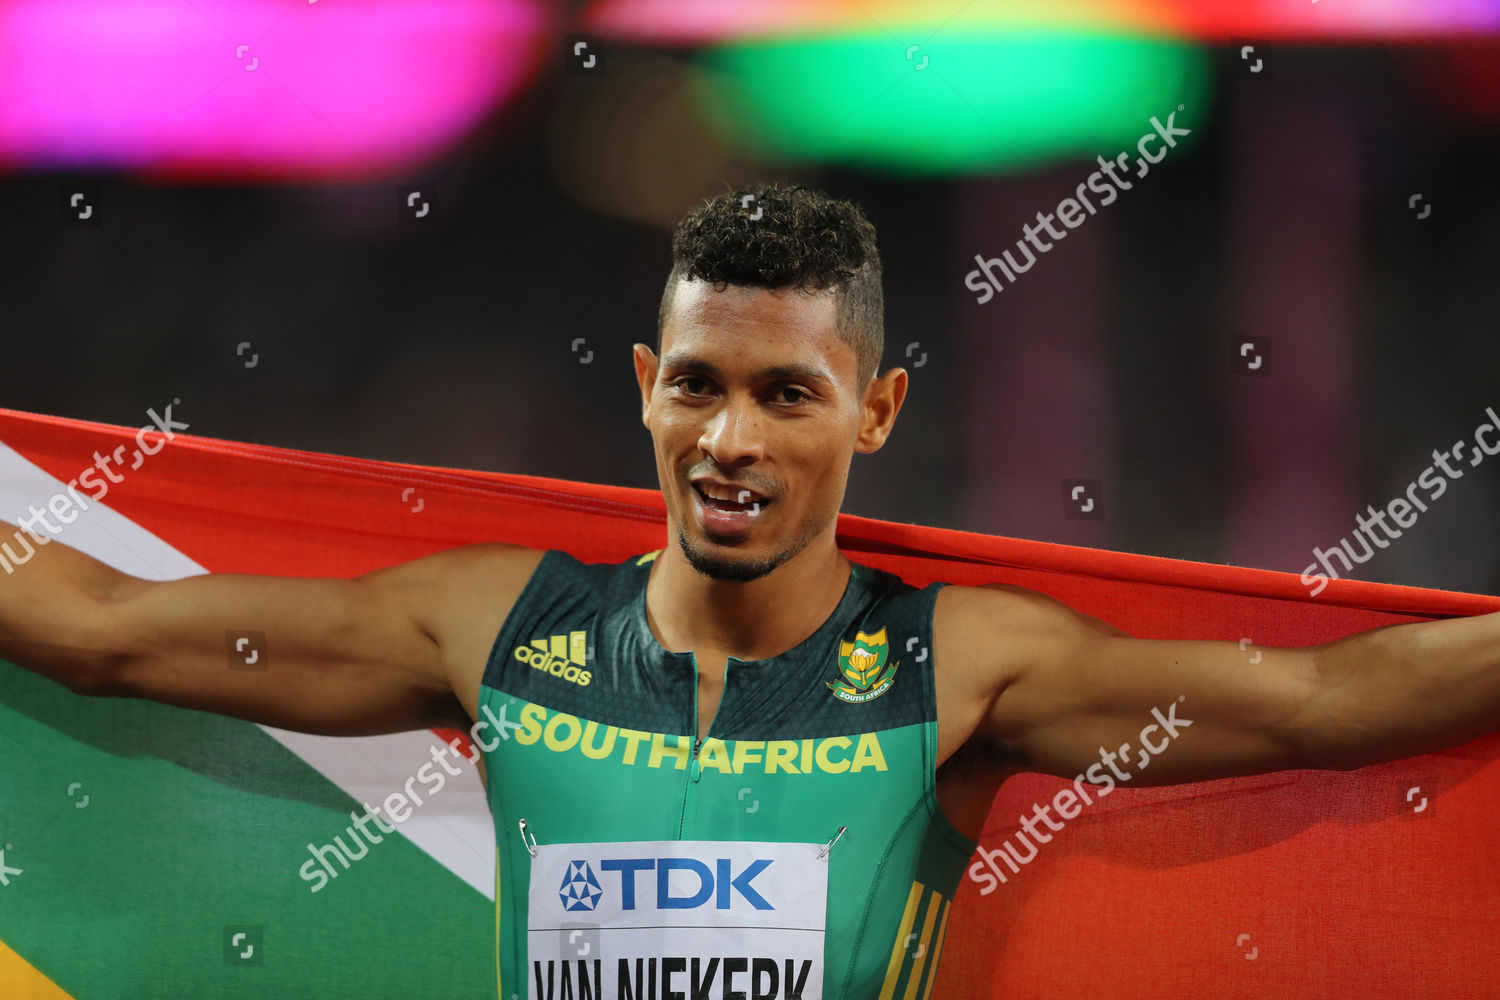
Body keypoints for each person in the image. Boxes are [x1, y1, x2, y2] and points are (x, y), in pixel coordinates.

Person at [3, 183, 1497, 1000]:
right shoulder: (499, 632)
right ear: (648, 391)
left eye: (788, 393)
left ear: (877, 412)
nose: (731, 441)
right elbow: (99, 629)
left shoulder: (958, 667)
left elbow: (1324, 698)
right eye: (700, 389)